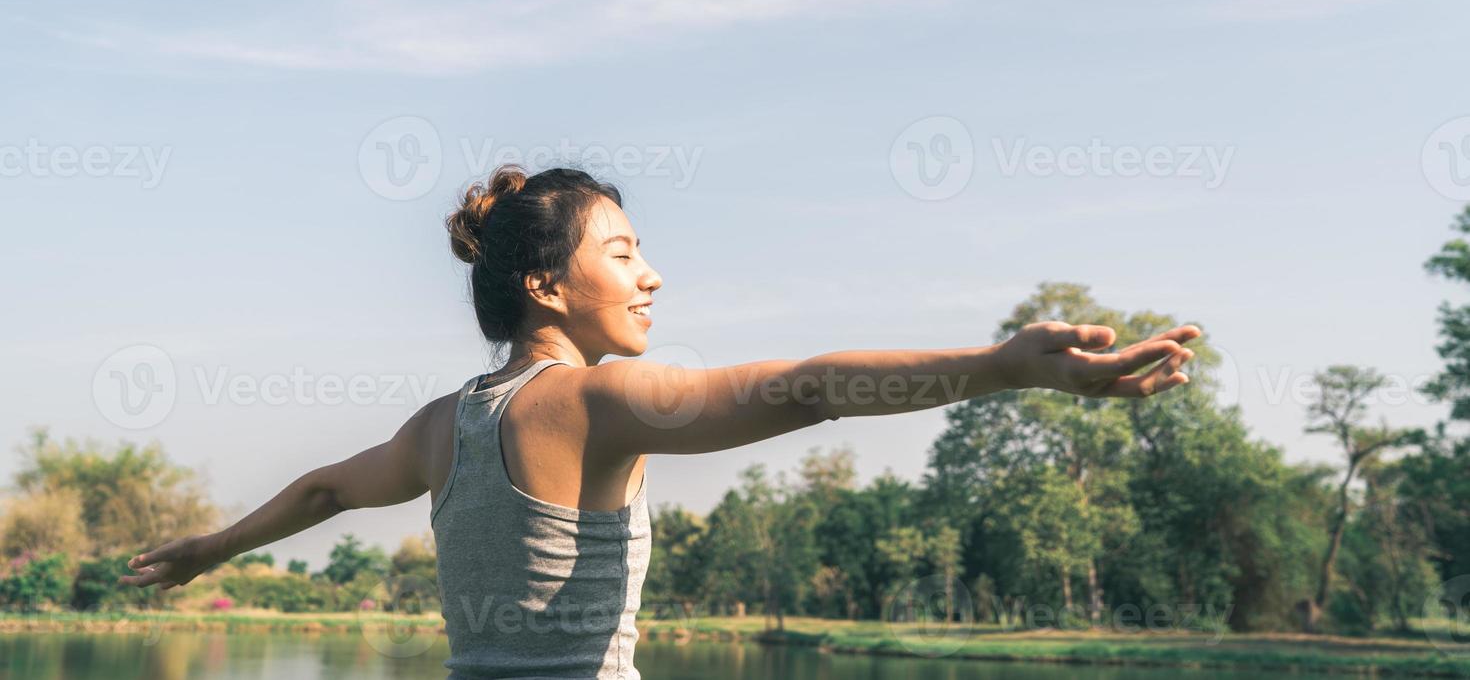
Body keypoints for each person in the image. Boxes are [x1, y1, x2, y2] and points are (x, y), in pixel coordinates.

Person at [120, 163, 1197, 678]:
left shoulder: (440, 425)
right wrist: (1002, 366)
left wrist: (206, 546)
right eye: (624, 252)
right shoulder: (593, 400)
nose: (652, 274)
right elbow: (808, 386)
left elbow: (319, 490)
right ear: (547, 284)